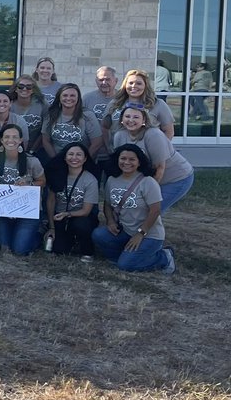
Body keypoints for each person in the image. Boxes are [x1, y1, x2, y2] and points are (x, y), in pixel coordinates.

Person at [92, 144, 175, 274]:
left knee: (126, 266)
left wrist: (140, 234)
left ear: (139, 162)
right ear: (117, 159)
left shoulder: (148, 182)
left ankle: (164, 257)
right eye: (123, 158)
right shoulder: (112, 180)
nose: (126, 162)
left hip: (149, 235)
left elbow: (155, 211)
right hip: (125, 231)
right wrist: (110, 221)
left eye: (132, 159)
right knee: (99, 235)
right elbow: (107, 204)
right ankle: (122, 256)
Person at [111, 105, 194, 214]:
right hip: (146, 177)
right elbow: (122, 166)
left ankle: (148, 230)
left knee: (150, 211)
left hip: (175, 178)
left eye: (136, 117)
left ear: (144, 120)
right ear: (122, 119)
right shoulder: (119, 136)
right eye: (127, 116)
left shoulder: (154, 134)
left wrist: (147, 193)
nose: (131, 120)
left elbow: (159, 168)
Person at [0, 124, 44, 256]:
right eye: (7, 137)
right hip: (4, 211)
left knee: (19, 250)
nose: (11, 140)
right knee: (5, 248)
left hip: (27, 211)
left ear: (20, 140)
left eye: (15, 137)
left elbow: (42, 182)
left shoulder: (32, 161)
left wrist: (29, 183)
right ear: (2, 140)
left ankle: (38, 234)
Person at [45, 142, 100, 258]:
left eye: (79, 155)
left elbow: (86, 211)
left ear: (85, 158)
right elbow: (51, 202)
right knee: (58, 250)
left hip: (80, 216)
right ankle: (70, 241)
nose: (74, 158)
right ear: (65, 157)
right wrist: (52, 227)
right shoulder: (57, 175)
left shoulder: (90, 180)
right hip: (59, 216)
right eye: (70, 154)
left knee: (82, 225)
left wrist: (68, 214)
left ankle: (86, 250)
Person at [103, 68, 175, 140]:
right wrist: (109, 148)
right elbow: (105, 127)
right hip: (118, 149)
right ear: (125, 85)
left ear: (145, 86)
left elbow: (169, 131)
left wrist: (160, 148)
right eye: (130, 83)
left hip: (147, 150)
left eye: (139, 83)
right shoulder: (115, 103)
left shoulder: (158, 104)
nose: (134, 86)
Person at [42, 84, 102, 159]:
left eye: (72, 95)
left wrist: (83, 159)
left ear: (78, 98)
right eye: (65, 95)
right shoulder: (51, 115)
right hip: (57, 160)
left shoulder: (88, 116)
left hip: (81, 161)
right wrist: (56, 160)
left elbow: (97, 142)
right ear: (59, 97)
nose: (68, 98)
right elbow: (45, 140)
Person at [83, 65, 120, 162]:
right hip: (93, 152)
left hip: (116, 152)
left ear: (115, 81)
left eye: (108, 79)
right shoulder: (86, 99)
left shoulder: (123, 99)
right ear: (96, 81)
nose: (104, 83)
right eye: (101, 80)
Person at [10, 74, 48, 155]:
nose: (24, 89)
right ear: (16, 89)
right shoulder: (9, 105)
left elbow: (44, 131)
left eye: (29, 87)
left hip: (36, 149)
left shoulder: (42, 104)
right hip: (12, 148)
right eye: (21, 86)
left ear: (33, 89)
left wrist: (32, 151)